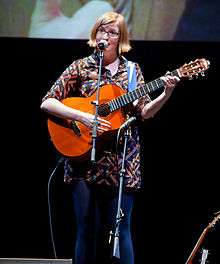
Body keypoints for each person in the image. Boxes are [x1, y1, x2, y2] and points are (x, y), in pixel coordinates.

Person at [40, 11, 180, 264]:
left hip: (122, 158)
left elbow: (144, 112)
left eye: (113, 32)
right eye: (103, 30)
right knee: (84, 227)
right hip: (83, 158)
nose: (107, 35)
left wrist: (166, 93)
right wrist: (82, 117)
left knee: (121, 229)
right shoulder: (80, 67)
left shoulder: (132, 71)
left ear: (121, 38)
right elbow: (48, 102)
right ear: (96, 34)